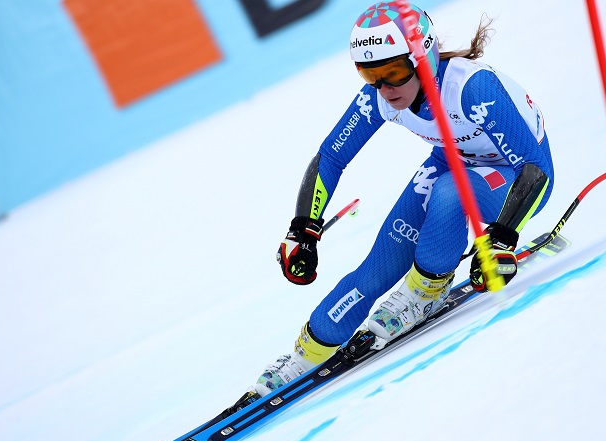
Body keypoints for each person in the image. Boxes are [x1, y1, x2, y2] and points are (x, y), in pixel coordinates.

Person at [230, 1, 554, 408]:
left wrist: (503, 237)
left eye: (395, 72)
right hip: (450, 167)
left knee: (451, 190)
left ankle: (423, 293)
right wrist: (303, 228)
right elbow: (331, 157)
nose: (384, 88)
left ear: (425, 57)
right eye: (370, 75)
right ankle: (301, 359)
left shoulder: (472, 89)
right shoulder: (380, 97)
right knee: (374, 271)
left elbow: (537, 169)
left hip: (514, 181)